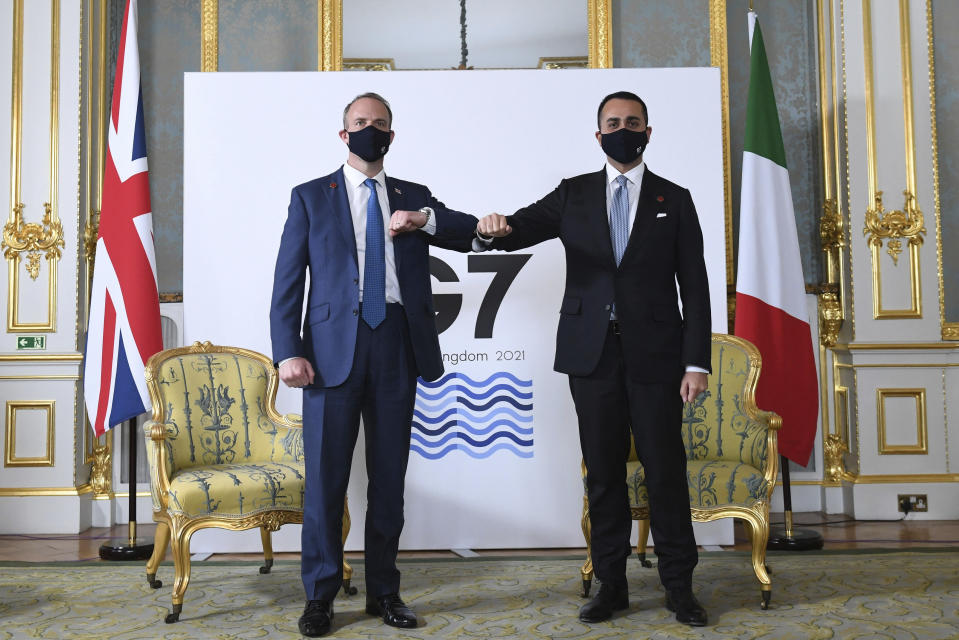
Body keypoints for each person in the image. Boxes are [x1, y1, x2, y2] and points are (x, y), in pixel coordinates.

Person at [476, 91, 712, 627]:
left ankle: (680, 586)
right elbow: (517, 229)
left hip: (658, 357)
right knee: (602, 474)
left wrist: (695, 361)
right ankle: (611, 584)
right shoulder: (574, 195)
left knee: (665, 471)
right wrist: (491, 225)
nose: (622, 129)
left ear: (648, 133)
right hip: (592, 355)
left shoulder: (675, 199)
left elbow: (694, 288)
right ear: (598, 134)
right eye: (612, 122)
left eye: (632, 122)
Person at [270, 92, 478, 637]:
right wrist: (287, 350)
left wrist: (424, 218)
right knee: (325, 481)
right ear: (344, 135)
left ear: (392, 135)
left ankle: (385, 591)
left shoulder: (413, 196)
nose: (370, 130)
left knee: (389, 480)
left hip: (396, 347)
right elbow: (287, 282)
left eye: (379, 124)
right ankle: (320, 596)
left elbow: (463, 231)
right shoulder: (311, 196)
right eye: (360, 123)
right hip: (328, 354)